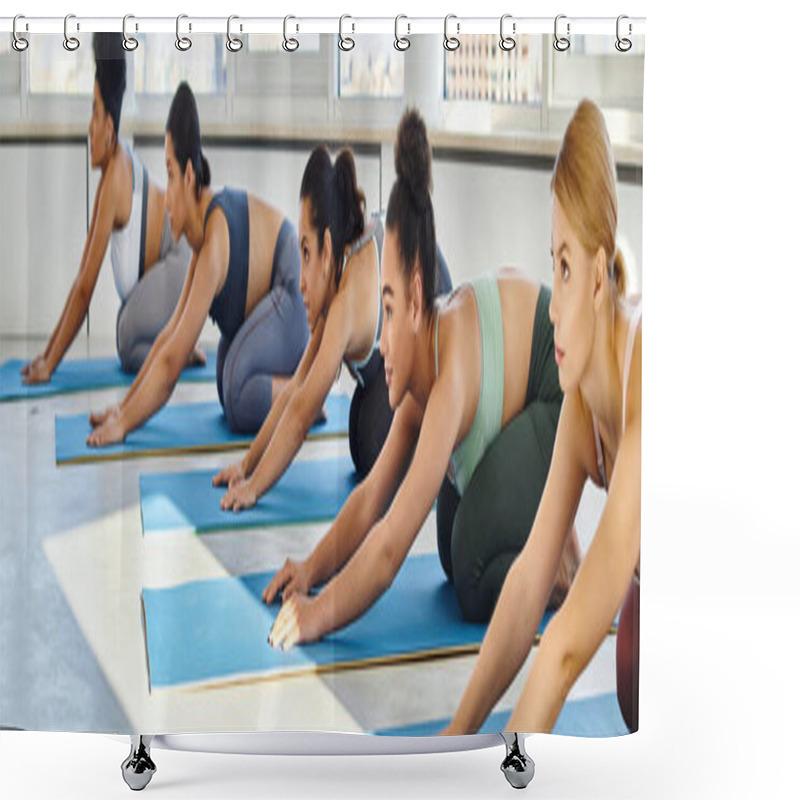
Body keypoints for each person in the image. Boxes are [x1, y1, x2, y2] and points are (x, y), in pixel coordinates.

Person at [264, 108, 581, 651]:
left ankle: (557, 575)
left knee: (472, 575)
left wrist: (319, 615)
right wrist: (312, 569)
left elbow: (390, 548)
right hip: (517, 395)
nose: (381, 342)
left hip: (556, 391)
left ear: (415, 299)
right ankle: (546, 543)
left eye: (387, 311)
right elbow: (372, 500)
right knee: (451, 554)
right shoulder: (419, 377)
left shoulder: (449, 371)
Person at [443, 99, 642, 736]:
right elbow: (531, 577)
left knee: (636, 662)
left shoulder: (651, 375)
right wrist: (456, 738)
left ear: (596, 278)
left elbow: (563, 650)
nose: (550, 304)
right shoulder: (582, 395)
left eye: (563, 264)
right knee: (634, 667)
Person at [213, 144, 452, 509]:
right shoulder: (337, 273)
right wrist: (246, 465)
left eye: (305, 252)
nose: (301, 281)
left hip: (435, 331)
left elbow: (302, 414)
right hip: (386, 369)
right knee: (362, 444)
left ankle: (444, 439)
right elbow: (295, 388)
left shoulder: (346, 301)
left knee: (377, 453)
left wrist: (255, 488)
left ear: (327, 248)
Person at [87, 81, 308, 445]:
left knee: (238, 395)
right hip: (271, 307)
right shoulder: (200, 238)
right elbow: (168, 339)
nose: (165, 192)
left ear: (190, 176)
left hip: (292, 291)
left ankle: (307, 396)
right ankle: (297, 389)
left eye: (170, 174)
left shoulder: (215, 238)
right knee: (226, 383)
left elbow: (174, 363)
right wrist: (122, 409)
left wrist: (124, 428)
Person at [22, 33, 198, 385]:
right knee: (127, 331)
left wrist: (50, 367)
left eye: (94, 113)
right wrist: (46, 355)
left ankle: (183, 349)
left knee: (127, 338)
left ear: (109, 127)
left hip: (180, 259)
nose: (88, 127)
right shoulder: (111, 176)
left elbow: (86, 289)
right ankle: (181, 345)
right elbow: (80, 280)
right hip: (169, 267)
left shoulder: (117, 176)